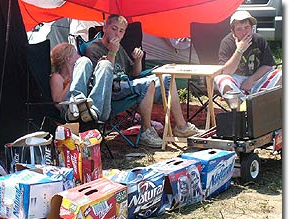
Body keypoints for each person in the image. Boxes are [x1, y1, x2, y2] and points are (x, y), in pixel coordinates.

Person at [85, 15, 200, 144]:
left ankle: (181, 127)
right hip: (112, 91)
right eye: (114, 28)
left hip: (128, 85)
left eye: (121, 31)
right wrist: (112, 53)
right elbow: (101, 82)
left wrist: (138, 60)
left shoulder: (120, 48)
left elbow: (134, 73)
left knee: (167, 77)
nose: (117, 33)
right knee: (147, 83)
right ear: (105, 27)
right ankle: (146, 131)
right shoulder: (94, 49)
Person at [214, 10, 282, 101]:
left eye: (247, 27)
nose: (244, 32)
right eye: (239, 29)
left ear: (252, 28)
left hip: (256, 78)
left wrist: (251, 80)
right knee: (222, 80)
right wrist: (239, 50)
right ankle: (238, 111)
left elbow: (268, 65)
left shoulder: (259, 39)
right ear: (232, 31)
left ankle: (265, 104)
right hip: (235, 79)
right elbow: (226, 71)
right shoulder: (227, 43)